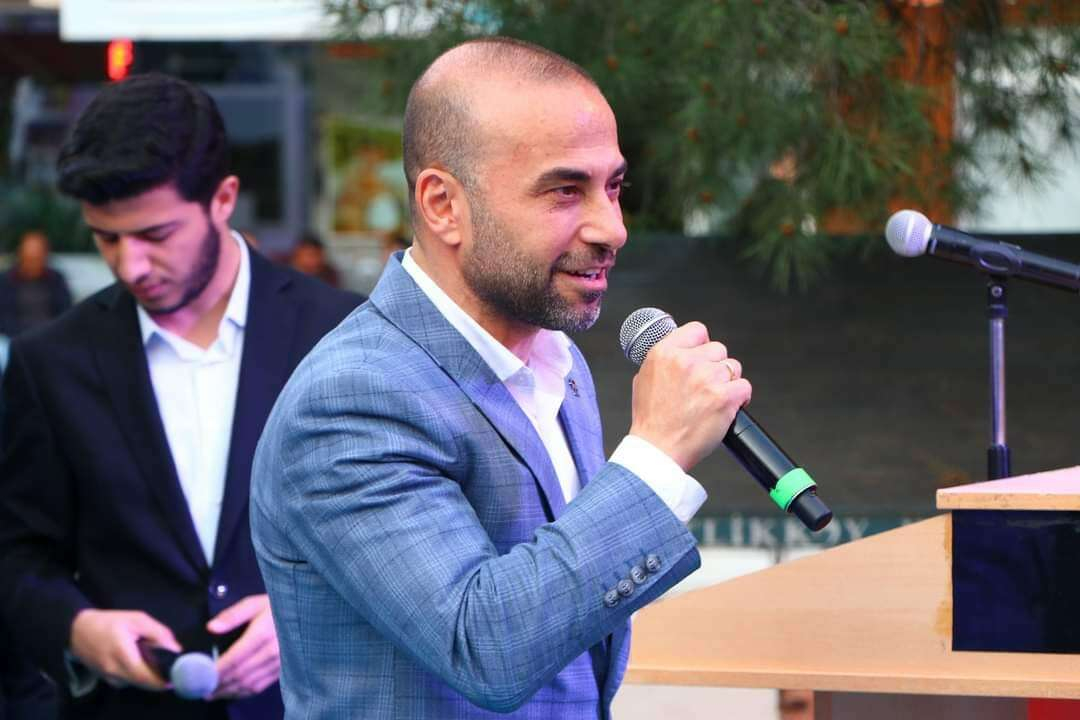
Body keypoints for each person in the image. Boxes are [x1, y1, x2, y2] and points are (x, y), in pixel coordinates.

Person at [251, 37, 752, 719]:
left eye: (614, 187)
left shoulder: (557, 361)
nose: (612, 228)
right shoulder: (352, 398)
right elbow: (482, 646)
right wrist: (658, 455)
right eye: (565, 191)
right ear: (442, 205)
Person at [0, 73, 363, 720]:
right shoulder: (49, 363)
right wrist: (78, 628)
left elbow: (418, 532)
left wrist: (313, 613)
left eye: (155, 235)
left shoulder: (344, 333)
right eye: (106, 238)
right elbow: (17, 554)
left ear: (223, 199)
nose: (129, 264)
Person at [0, 229, 73, 338]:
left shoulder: (56, 279)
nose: (32, 264)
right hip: (13, 337)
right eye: (28, 259)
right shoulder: (5, 280)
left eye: (37, 259)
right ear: (20, 255)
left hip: (48, 335)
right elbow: (3, 317)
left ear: (45, 257)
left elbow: (65, 312)